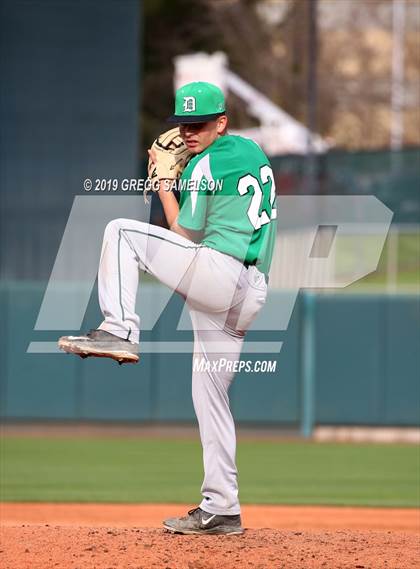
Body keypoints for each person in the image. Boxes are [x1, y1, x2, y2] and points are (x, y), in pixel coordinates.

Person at [58, 81, 277, 535]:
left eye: (199, 124)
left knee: (121, 231)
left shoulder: (205, 163)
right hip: (250, 291)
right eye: (184, 124)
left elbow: (184, 236)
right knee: (210, 397)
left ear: (221, 121)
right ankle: (223, 508)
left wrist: (162, 184)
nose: (189, 132)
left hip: (221, 273)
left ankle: (119, 327)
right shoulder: (250, 150)